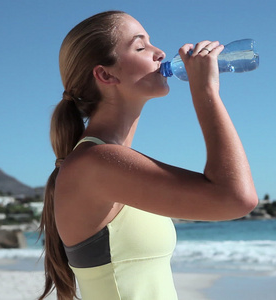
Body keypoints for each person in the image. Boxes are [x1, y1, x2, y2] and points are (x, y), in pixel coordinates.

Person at [38, 10, 258, 300]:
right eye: (140, 46)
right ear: (106, 74)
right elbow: (236, 198)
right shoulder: (95, 164)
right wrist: (206, 91)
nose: (160, 53)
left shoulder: (110, 163)